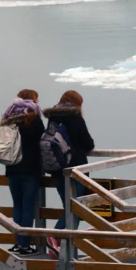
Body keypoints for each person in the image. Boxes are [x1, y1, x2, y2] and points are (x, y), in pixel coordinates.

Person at [43, 90, 95, 257]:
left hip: (57, 169)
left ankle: (63, 248)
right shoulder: (74, 117)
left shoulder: (53, 116)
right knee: (76, 209)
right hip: (76, 169)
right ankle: (57, 236)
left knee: (69, 207)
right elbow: (88, 143)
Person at [1, 89, 44, 255]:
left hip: (12, 168)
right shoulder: (35, 119)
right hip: (30, 168)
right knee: (28, 207)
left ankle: (18, 243)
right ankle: (25, 244)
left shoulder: (8, 118)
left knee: (17, 206)